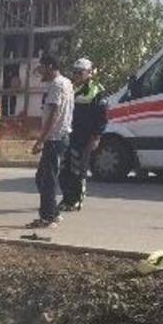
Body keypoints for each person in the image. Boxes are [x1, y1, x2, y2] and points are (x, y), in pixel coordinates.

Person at [28, 53, 74, 229]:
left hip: (54, 138)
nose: (40, 72)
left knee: (47, 179)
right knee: (42, 177)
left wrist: (41, 139)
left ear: (50, 67)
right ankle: (52, 212)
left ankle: (47, 217)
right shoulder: (67, 83)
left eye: (41, 68)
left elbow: (54, 114)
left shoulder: (56, 85)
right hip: (59, 137)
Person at [59, 58, 108, 212]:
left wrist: (97, 136)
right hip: (69, 135)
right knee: (64, 170)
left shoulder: (96, 90)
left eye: (80, 72)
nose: (76, 75)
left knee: (78, 170)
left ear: (89, 73)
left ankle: (76, 200)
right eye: (74, 72)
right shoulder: (71, 88)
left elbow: (102, 117)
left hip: (86, 137)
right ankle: (67, 198)